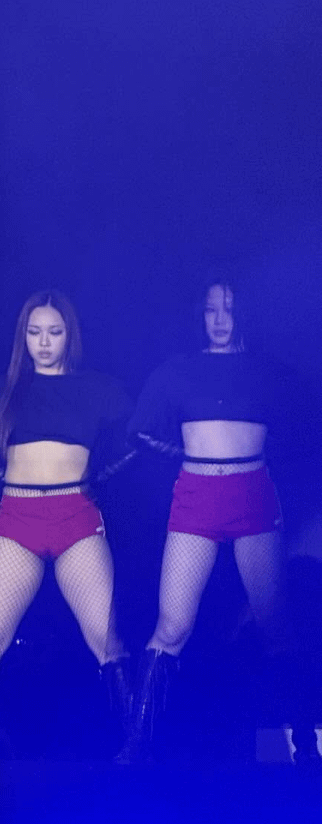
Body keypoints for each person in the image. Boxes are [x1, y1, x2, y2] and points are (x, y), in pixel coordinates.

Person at [120, 278, 306, 761]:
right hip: (197, 497)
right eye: (210, 310)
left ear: (244, 313)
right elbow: (140, 431)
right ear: (199, 315)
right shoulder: (176, 371)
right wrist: (188, 454)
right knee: (171, 626)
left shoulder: (268, 372)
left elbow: (301, 431)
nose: (220, 320)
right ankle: (137, 744)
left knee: (275, 625)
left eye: (229, 309)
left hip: (252, 495)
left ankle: (307, 746)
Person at [0, 289, 132, 760]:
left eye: (54, 332)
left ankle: (137, 749)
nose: (44, 342)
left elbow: (138, 437)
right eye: (34, 332)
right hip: (18, 518)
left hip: (75, 516)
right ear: (22, 337)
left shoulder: (97, 388)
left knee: (106, 639)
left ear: (70, 335)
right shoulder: (2, 390)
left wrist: (103, 476)